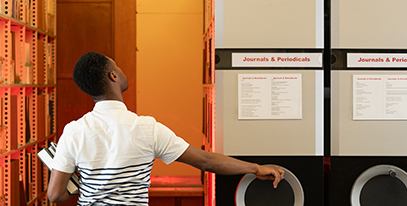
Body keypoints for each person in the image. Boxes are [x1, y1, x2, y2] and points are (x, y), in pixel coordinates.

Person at [47, 51, 285, 204]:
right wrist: (254, 168)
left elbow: (55, 194)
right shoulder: (146, 128)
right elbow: (205, 161)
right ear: (113, 76)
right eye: (117, 67)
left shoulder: (74, 131)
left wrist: (85, 188)